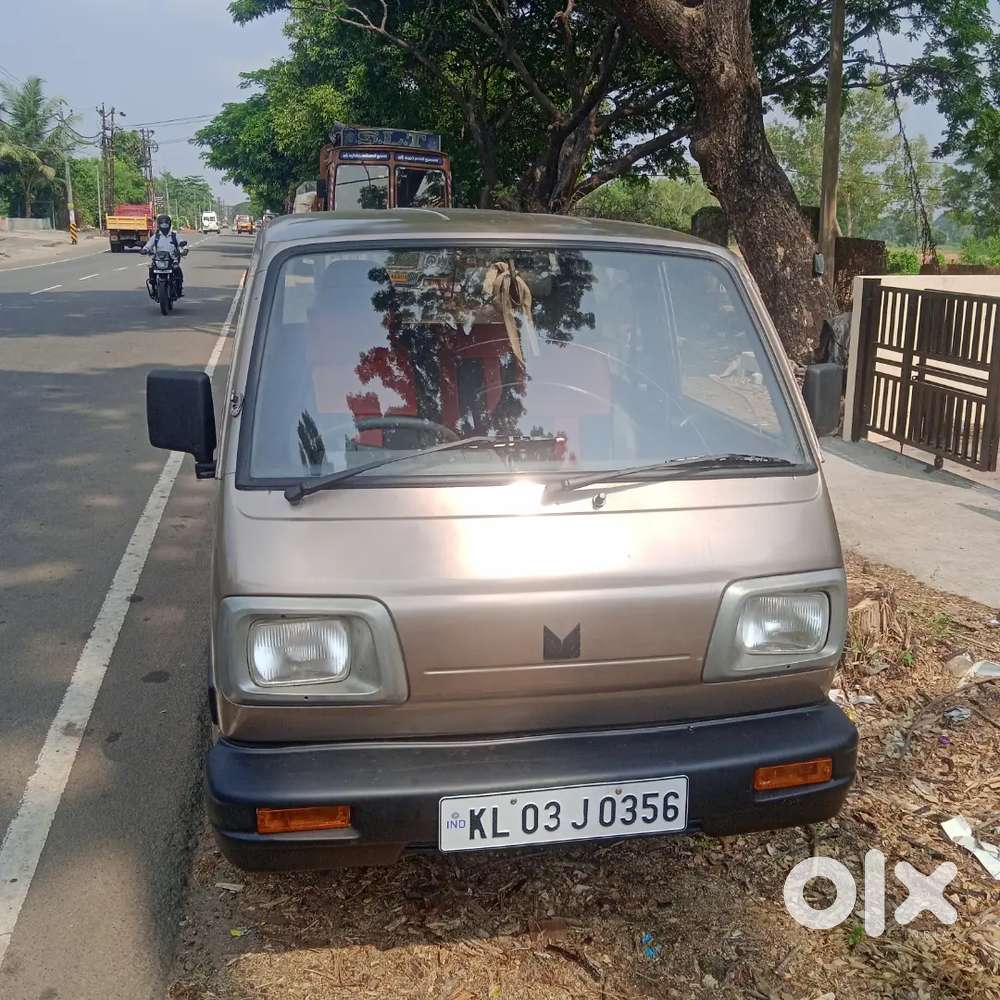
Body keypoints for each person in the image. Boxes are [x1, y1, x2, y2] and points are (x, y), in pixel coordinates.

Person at [141, 214, 185, 297]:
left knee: (178, 270)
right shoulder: (156, 237)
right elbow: (148, 245)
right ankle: (154, 287)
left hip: (172, 260)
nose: (164, 226)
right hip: (159, 261)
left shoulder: (174, 236)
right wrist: (144, 250)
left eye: (166, 224)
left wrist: (183, 248)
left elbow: (181, 243)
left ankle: (179, 289)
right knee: (151, 269)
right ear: (159, 225)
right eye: (162, 224)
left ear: (169, 224)